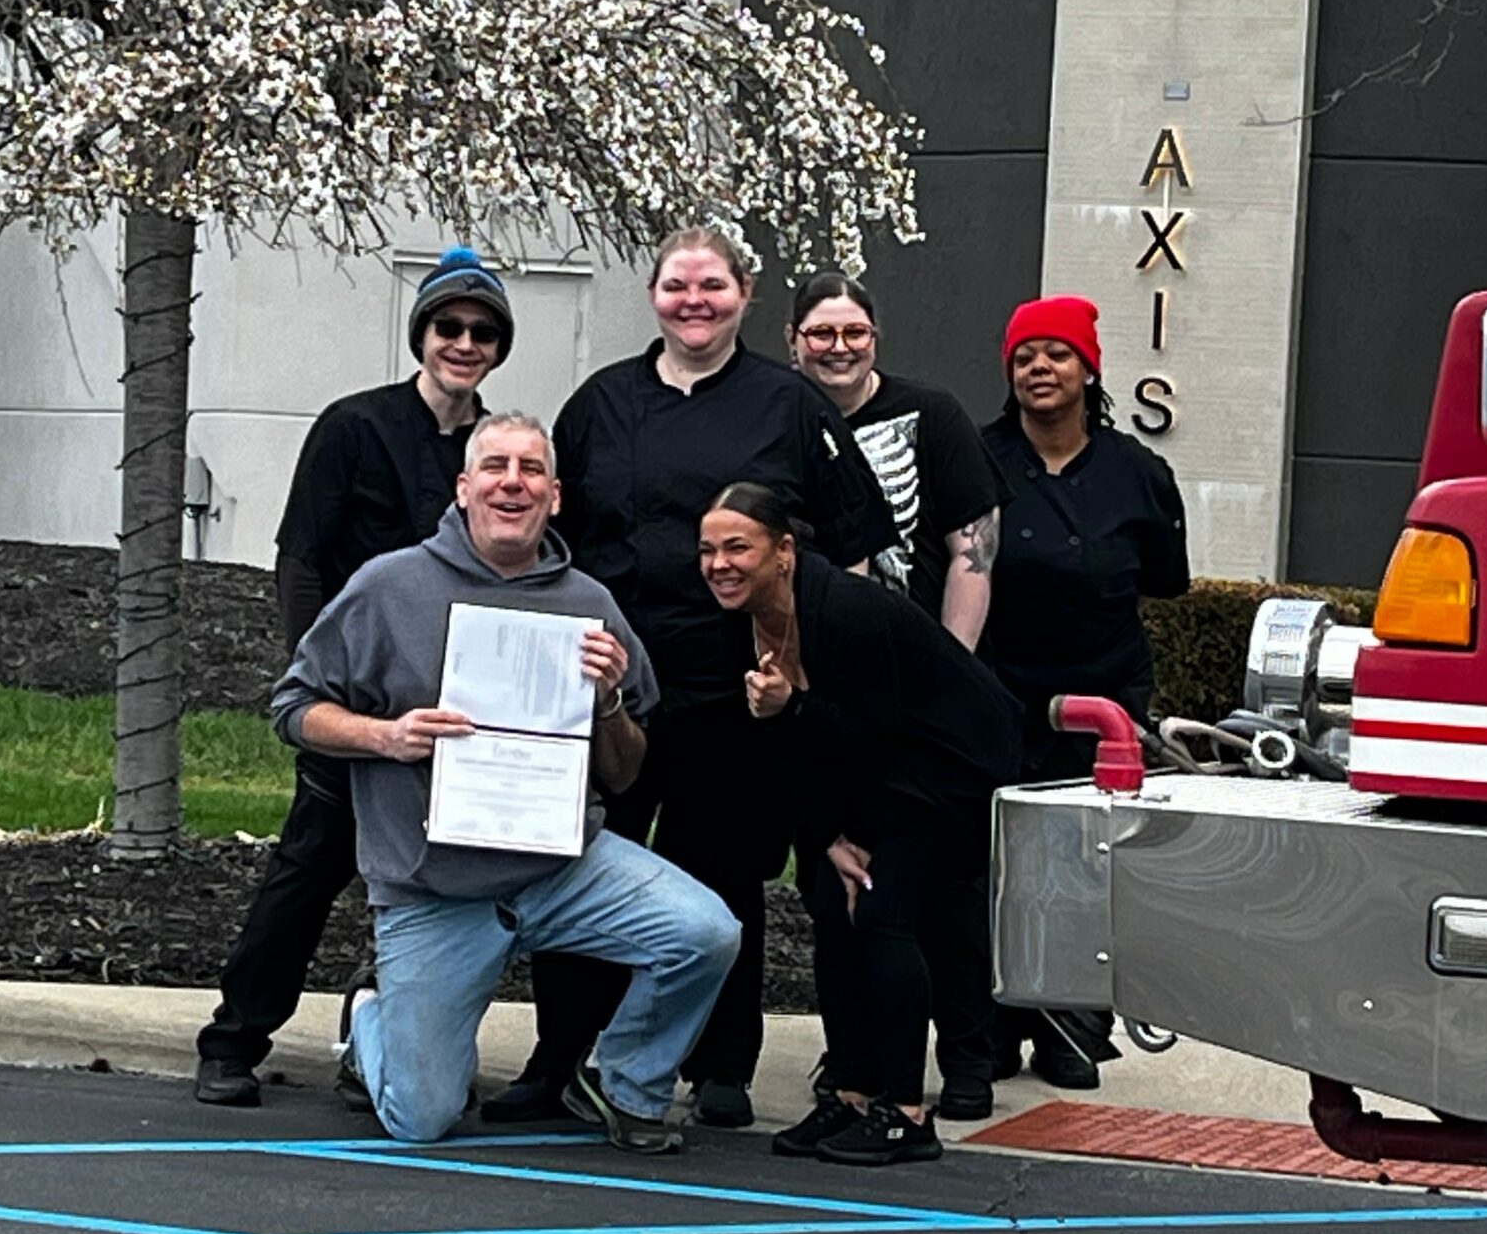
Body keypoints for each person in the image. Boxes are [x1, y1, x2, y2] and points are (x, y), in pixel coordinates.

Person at [270, 411, 739, 1150]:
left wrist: (608, 702)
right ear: (463, 488)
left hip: (563, 869)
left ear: (555, 495)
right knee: (422, 1118)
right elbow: (293, 708)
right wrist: (385, 736)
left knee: (706, 933)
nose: (512, 483)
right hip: (436, 890)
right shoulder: (389, 586)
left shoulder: (589, 605)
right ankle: (369, 1018)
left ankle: (624, 1083)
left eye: (531, 470)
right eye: (494, 467)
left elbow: (624, 772)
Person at [505, 225, 888, 1131]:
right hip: (607, 684)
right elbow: (554, 542)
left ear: (745, 294)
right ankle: (560, 1055)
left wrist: (814, 669)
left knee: (722, 875)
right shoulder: (600, 403)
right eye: (677, 285)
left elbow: (852, 551)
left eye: (712, 285)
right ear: (653, 296)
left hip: (730, 689)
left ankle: (722, 1064)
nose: (694, 301)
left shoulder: (790, 405)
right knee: (581, 861)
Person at [195, 245, 518, 1108]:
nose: (464, 343)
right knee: (309, 868)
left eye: (483, 331)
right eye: (448, 326)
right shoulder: (353, 426)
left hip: (454, 715)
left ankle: (376, 1036)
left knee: (430, 887)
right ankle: (234, 1038)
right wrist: (315, 679)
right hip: (359, 707)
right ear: (422, 334)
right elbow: (300, 559)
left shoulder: (498, 450)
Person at [696, 483, 1020, 1164]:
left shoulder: (847, 610)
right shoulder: (742, 621)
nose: (719, 564)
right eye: (707, 550)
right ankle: (850, 1091)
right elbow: (795, 751)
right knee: (828, 902)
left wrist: (858, 834)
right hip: (868, 773)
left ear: (784, 551)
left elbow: (878, 732)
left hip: (944, 767)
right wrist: (828, 838)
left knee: (880, 913)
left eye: (737, 547)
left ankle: (904, 1113)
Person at [982, 294, 1190, 1090]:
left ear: (1089, 368)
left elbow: (1164, 578)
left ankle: (1073, 1027)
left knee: (1083, 867)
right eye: (1024, 355)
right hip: (999, 694)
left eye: (1057, 353)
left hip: (1103, 702)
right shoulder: (979, 459)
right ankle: (990, 1024)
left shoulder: (1139, 472)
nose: (1040, 367)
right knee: (995, 866)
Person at [786, 272, 1007, 650]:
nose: (840, 347)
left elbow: (974, 555)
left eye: (855, 333)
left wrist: (952, 664)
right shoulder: (774, 420)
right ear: (792, 338)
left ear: (874, 336)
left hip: (918, 653)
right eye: (821, 334)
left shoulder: (934, 414)